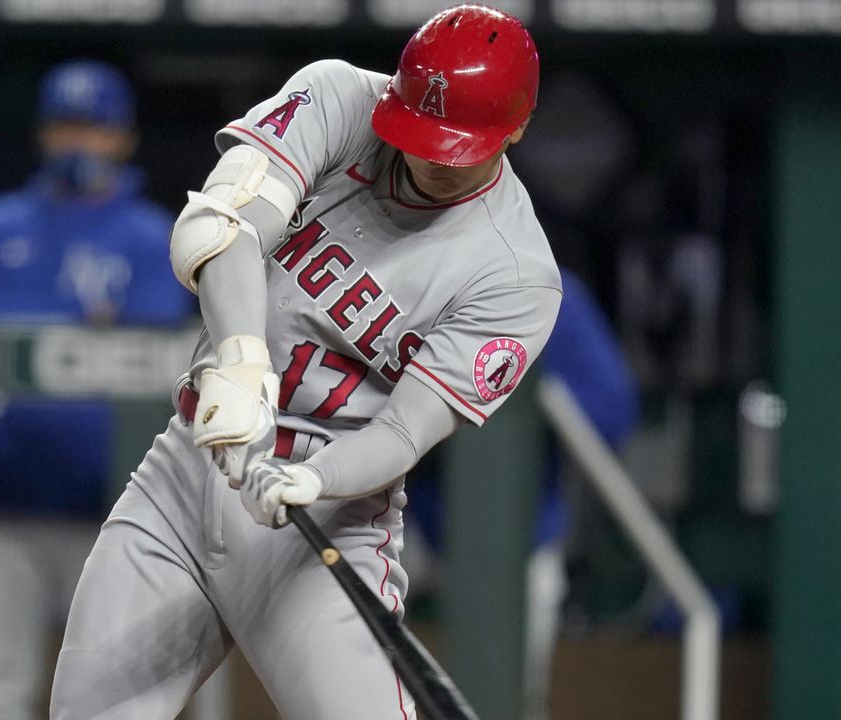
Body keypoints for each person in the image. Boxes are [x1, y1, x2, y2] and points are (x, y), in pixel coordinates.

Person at [50, 5, 562, 719]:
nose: (430, 159)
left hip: (327, 526)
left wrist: (311, 478)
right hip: (190, 475)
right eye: (420, 133)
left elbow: (406, 434)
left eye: (457, 147)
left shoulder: (515, 273)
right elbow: (218, 229)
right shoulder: (340, 97)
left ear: (518, 127)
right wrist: (239, 361)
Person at [0, 60, 193, 720]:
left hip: (116, 517)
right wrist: (73, 325)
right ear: (44, 134)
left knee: (115, 702)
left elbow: (159, 327)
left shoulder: (152, 234)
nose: (81, 144)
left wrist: (27, 321)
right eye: (68, 126)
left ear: (124, 138)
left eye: (96, 129)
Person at [402, 265, 640, 720]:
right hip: (388, 514)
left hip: (516, 541)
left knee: (504, 704)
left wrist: (518, 389)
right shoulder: (386, 269)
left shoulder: (542, 288)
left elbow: (612, 408)